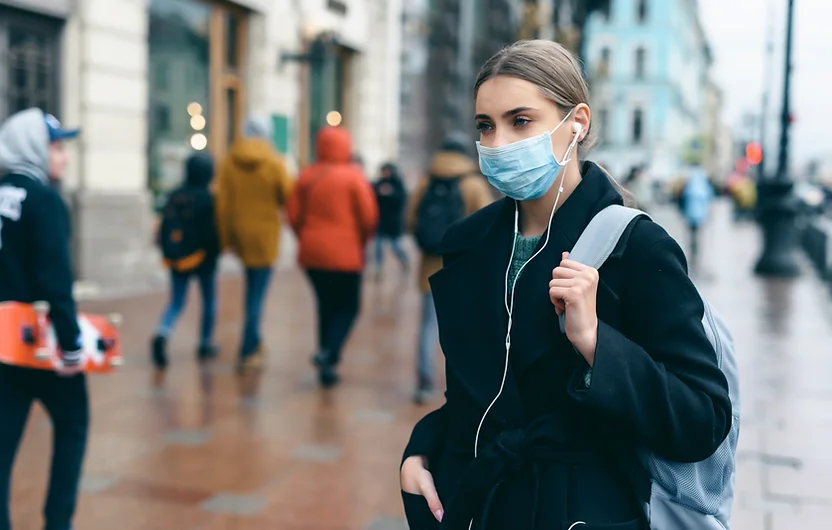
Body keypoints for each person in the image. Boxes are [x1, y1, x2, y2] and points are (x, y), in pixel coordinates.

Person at [399, 40, 732, 530]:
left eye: (521, 121)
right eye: (485, 126)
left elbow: (702, 418)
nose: (497, 145)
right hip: (478, 505)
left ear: (576, 122)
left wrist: (598, 344)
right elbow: (480, 397)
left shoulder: (636, 248)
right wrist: (420, 451)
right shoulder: (470, 243)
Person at [0, 108, 88, 530]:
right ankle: (57, 523)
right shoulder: (45, 201)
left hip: (2, 350)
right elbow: (56, 282)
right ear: (35, 148)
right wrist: (72, 346)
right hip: (44, 347)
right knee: (73, 425)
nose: (64, 157)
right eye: (57, 147)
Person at [287, 126, 378, 388]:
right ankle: (329, 353)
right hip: (346, 255)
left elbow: (292, 215)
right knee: (349, 306)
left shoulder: (306, 176)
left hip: (313, 255)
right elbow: (368, 217)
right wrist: (360, 242)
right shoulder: (353, 177)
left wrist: (305, 238)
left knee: (326, 306)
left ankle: (326, 361)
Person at [407, 134, 493, 404]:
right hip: (465, 272)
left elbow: (411, 221)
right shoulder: (473, 183)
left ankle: (424, 381)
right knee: (465, 329)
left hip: (430, 271)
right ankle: (462, 386)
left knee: (428, 327)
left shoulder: (426, 181)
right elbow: (489, 225)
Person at [216, 115, 294, 374]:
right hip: (266, 236)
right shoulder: (274, 162)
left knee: (252, 291)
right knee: (257, 295)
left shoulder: (229, 161)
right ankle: (248, 348)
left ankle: (255, 341)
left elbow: (223, 206)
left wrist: (226, 239)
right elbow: (288, 196)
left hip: (241, 235)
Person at [151, 152, 220, 369]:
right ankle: (205, 343)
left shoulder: (175, 194)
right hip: (204, 259)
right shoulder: (207, 198)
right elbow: (211, 234)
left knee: (176, 302)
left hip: (177, 258)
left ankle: (162, 332)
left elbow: (162, 227)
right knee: (209, 303)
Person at [373, 162, 409, 279]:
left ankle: (404, 261)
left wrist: (390, 193)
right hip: (380, 221)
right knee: (378, 247)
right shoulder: (378, 184)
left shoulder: (397, 184)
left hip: (393, 222)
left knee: (395, 246)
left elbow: (402, 200)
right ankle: (378, 268)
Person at [680, 164, 715, 267]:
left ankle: (693, 250)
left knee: (692, 234)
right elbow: (710, 199)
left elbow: (684, 199)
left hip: (690, 215)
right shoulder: (704, 186)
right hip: (700, 215)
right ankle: (695, 250)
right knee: (696, 234)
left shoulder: (689, 186)